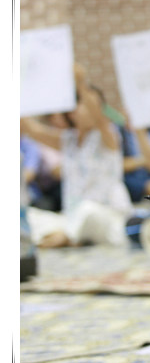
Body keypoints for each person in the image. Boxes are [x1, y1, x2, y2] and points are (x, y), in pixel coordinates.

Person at [20, 64, 132, 248]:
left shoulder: (108, 135)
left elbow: (98, 117)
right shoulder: (68, 140)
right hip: (72, 217)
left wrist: (81, 83)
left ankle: (64, 237)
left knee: (88, 211)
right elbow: (32, 130)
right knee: (29, 215)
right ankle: (66, 236)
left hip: (106, 215)